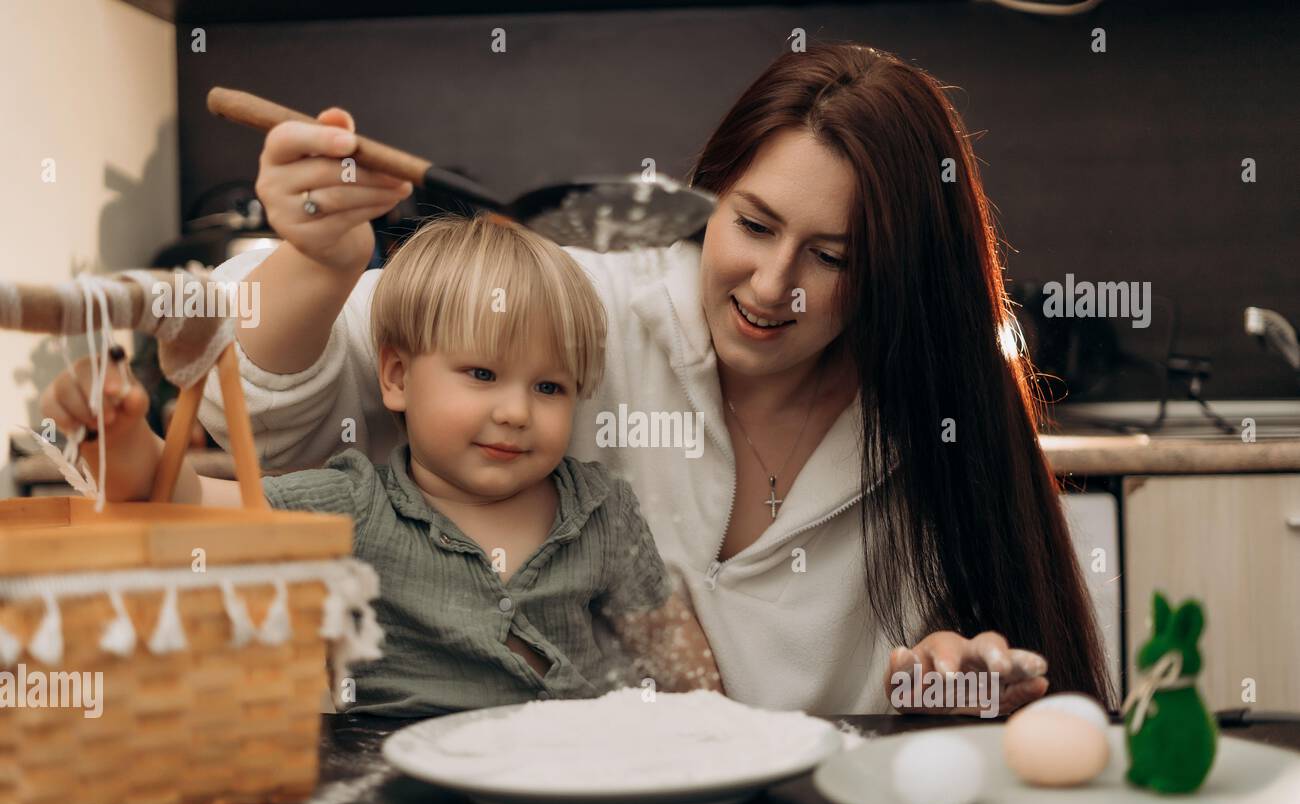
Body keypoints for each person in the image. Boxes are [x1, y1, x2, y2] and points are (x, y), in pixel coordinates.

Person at [195, 42, 1115, 715]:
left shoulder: (931, 419)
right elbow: (242, 396)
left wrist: (951, 689)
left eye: (832, 257)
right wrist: (316, 261)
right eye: (753, 225)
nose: (770, 285)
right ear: (707, 196)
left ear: (898, 275)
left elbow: (981, 692)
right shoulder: (584, 300)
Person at [40, 213, 723, 717]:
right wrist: (115, 430)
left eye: (549, 387)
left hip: (569, 786)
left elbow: (671, 649)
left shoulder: (603, 511)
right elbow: (184, 500)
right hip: (391, 791)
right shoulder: (353, 506)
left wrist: (714, 735)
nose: (517, 411)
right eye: (482, 373)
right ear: (394, 376)